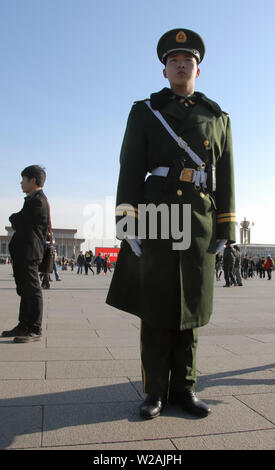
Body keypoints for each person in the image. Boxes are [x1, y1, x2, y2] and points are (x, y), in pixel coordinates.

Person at [106, 28, 235, 419]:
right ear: (164, 70)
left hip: (198, 220)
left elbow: (226, 175)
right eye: (173, 61)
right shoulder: (145, 111)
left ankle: (186, 388)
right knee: (157, 307)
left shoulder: (217, 117)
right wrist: (126, 222)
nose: (181, 65)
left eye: (188, 60)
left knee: (190, 309)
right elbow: (129, 166)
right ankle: (154, 392)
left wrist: (225, 229)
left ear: (199, 68)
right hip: (158, 215)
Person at [1, 165, 49, 343]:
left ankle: (34, 328)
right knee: (25, 290)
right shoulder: (31, 199)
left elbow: (17, 220)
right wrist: (16, 219)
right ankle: (24, 325)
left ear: (33, 181)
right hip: (24, 251)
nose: (21, 183)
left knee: (32, 290)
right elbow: (18, 220)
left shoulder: (37, 201)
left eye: (23, 179)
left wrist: (15, 218)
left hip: (30, 251)